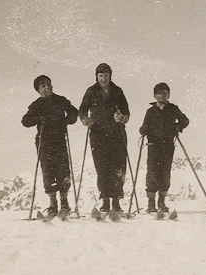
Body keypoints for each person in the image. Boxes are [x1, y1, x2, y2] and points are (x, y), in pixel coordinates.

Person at [22, 75, 78, 217]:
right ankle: (53, 204)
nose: (47, 87)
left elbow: (73, 112)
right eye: (43, 86)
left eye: (48, 84)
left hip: (59, 139)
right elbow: (25, 121)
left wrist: (67, 121)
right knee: (48, 171)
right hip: (44, 141)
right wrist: (39, 119)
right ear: (38, 90)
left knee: (63, 169)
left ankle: (64, 204)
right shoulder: (36, 105)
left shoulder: (60, 100)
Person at [79, 63, 130, 212]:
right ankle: (106, 201)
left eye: (106, 75)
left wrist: (122, 117)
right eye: (101, 76)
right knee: (102, 167)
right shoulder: (91, 91)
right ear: (96, 77)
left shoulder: (117, 91)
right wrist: (85, 120)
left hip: (116, 133)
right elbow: (82, 109)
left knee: (118, 166)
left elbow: (126, 110)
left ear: (110, 76)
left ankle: (116, 202)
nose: (103, 79)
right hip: (98, 133)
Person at [139, 82, 189, 212]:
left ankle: (162, 202)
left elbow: (185, 120)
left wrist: (178, 127)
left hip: (167, 145)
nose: (162, 96)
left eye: (165, 93)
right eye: (159, 93)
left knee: (165, 172)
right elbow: (145, 125)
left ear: (169, 95)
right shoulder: (150, 111)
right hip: (153, 145)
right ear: (155, 95)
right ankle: (151, 203)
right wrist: (143, 129)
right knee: (152, 171)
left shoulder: (173, 109)